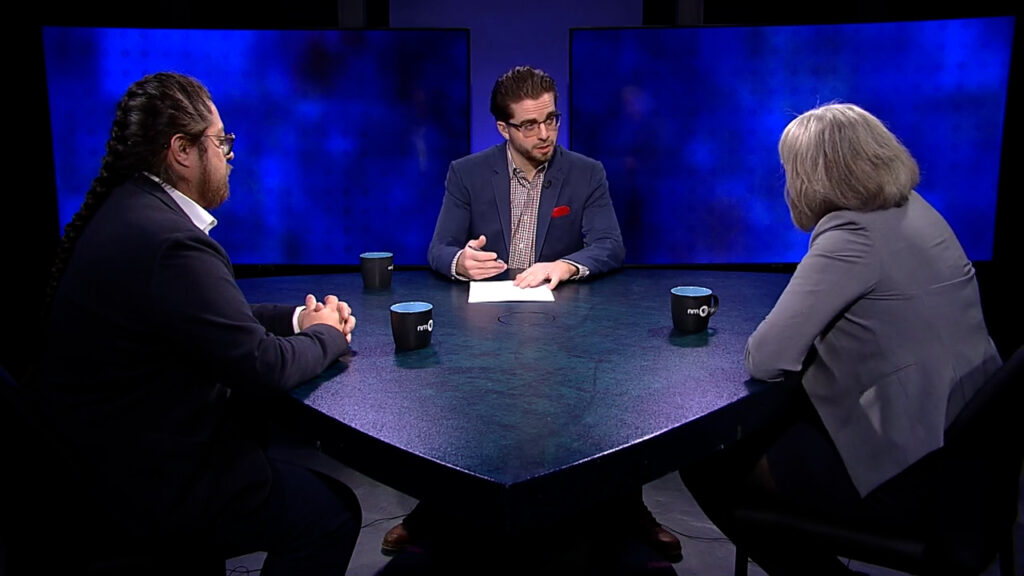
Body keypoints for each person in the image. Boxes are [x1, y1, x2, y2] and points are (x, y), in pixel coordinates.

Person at [30, 72, 362, 575]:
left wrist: (298, 319)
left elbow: (213, 319)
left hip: (96, 462)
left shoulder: (133, 211)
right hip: (147, 480)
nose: (230, 154)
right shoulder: (169, 241)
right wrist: (328, 334)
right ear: (182, 150)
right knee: (330, 513)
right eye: (221, 140)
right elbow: (262, 366)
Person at [678, 102, 1003, 575]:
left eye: (790, 170)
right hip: (969, 454)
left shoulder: (850, 233)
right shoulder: (916, 209)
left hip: (911, 472)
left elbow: (767, 358)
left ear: (811, 176)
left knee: (708, 462)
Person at [387, 65, 681, 563]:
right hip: (485, 324)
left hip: (563, 324)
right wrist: (462, 261)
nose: (544, 134)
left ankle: (627, 508)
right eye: (529, 125)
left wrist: (565, 265)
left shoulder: (586, 173)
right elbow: (437, 248)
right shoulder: (468, 173)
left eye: (551, 120)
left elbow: (611, 246)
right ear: (503, 128)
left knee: (604, 397)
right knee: (459, 399)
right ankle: (433, 511)